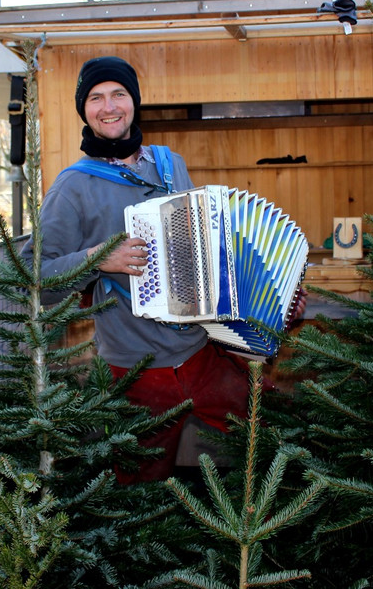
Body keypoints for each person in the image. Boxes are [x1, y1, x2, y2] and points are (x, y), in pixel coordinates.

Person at [29, 55, 302, 482]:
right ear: (83, 109)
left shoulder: (168, 164)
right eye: (96, 98)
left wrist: (272, 296)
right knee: (140, 488)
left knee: (281, 436)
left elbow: (203, 251)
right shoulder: (72, 186)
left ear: (134, 102)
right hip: (135, 370)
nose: (109, 106)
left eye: (119, 94)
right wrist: (98, 259)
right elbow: (34, 278)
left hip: (201, 354)